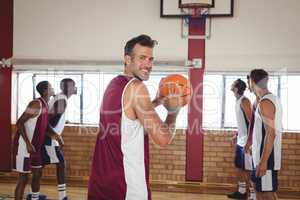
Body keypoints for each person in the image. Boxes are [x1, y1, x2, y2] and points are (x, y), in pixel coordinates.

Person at [88, 34, 185, 200]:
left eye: (150, 59)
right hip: (126, 188)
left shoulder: (114, 85)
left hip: (101, 184)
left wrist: (156, 101)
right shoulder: (137, 87)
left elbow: (130, 118)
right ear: (127, 59)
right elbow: (163, 139)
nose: (148, 64)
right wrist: (173, 111)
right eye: (142, 58)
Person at [13, 81, 54, 200]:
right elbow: (20, 122)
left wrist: (56, 136)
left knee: (37, 173)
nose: (53, 89)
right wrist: (28, 143)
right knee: (23, 178)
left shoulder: (46, 105)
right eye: (50, 87)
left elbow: (45, 127)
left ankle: (35, 198)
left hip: (36, 148)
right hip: (25, 146)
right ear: (45, 91)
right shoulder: (36, 104)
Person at [249, 69, 282, 200]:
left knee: (266, 194)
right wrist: (255, 146)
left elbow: (271, 133)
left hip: (267, 158)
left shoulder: (266, 103)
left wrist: (263, 162)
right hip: (262, 155)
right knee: (261, 192)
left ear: (252, 82)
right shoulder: (266, 100)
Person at [42, 78, 77, 200]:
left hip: (47, 137)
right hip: (50, 138)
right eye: (73, 86)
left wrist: (63, 120)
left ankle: (33, 193)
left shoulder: (59, 98)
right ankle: (62, 197)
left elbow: (53, 116)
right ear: (67, 88)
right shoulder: (62, 100)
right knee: (61, 164)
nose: (75, 88)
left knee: (39, 166)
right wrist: (57, 136)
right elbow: (50, 120)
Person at [228, 79, 255, 200]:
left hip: (246, 142)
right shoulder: (237, 101)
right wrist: (237, 134)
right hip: (241, 140)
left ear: (237, 88)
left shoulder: (244, 101)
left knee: (248, 170)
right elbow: (243, 123)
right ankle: (242, 191)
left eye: (233, 85)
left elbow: (252, 122)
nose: (231, 86)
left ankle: (253, 195)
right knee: (239, 167)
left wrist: (249, 142)